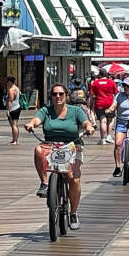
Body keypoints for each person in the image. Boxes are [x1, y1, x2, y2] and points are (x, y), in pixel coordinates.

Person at [25, 83, 95, 230]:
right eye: (55, 94)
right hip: (51, 145)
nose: (58, 97)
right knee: (38, 150)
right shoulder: (46, 111)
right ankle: (45, 183)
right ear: (50, 96)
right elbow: (36, 120)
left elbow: (86, 122)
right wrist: (31, 124)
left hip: (72, 145)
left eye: (61, 94)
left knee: (73, 179)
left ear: (66, 96)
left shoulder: (75, 110)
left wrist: (89, 127)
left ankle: (74, 213)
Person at [90, 71, 118, 145]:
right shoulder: (111, 82)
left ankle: (102, 139)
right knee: (110, 120)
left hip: (99, 103)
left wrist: (90, 104)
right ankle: (109, 136)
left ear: (100, 74)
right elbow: (116, 93)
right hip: (110, 103)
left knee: (103, 120)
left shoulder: (95, 83)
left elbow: (92, 95)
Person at [5, 76, 21, 145]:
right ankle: (15, 140)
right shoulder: (17, 88)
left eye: (7, 82)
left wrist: (8, 110)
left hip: (13, 108)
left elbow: (10, 100)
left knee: (13, 125)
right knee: (15, 124)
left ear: (9, 82)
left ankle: (14, 140)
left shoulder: (11, 89)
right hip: (17, 107)